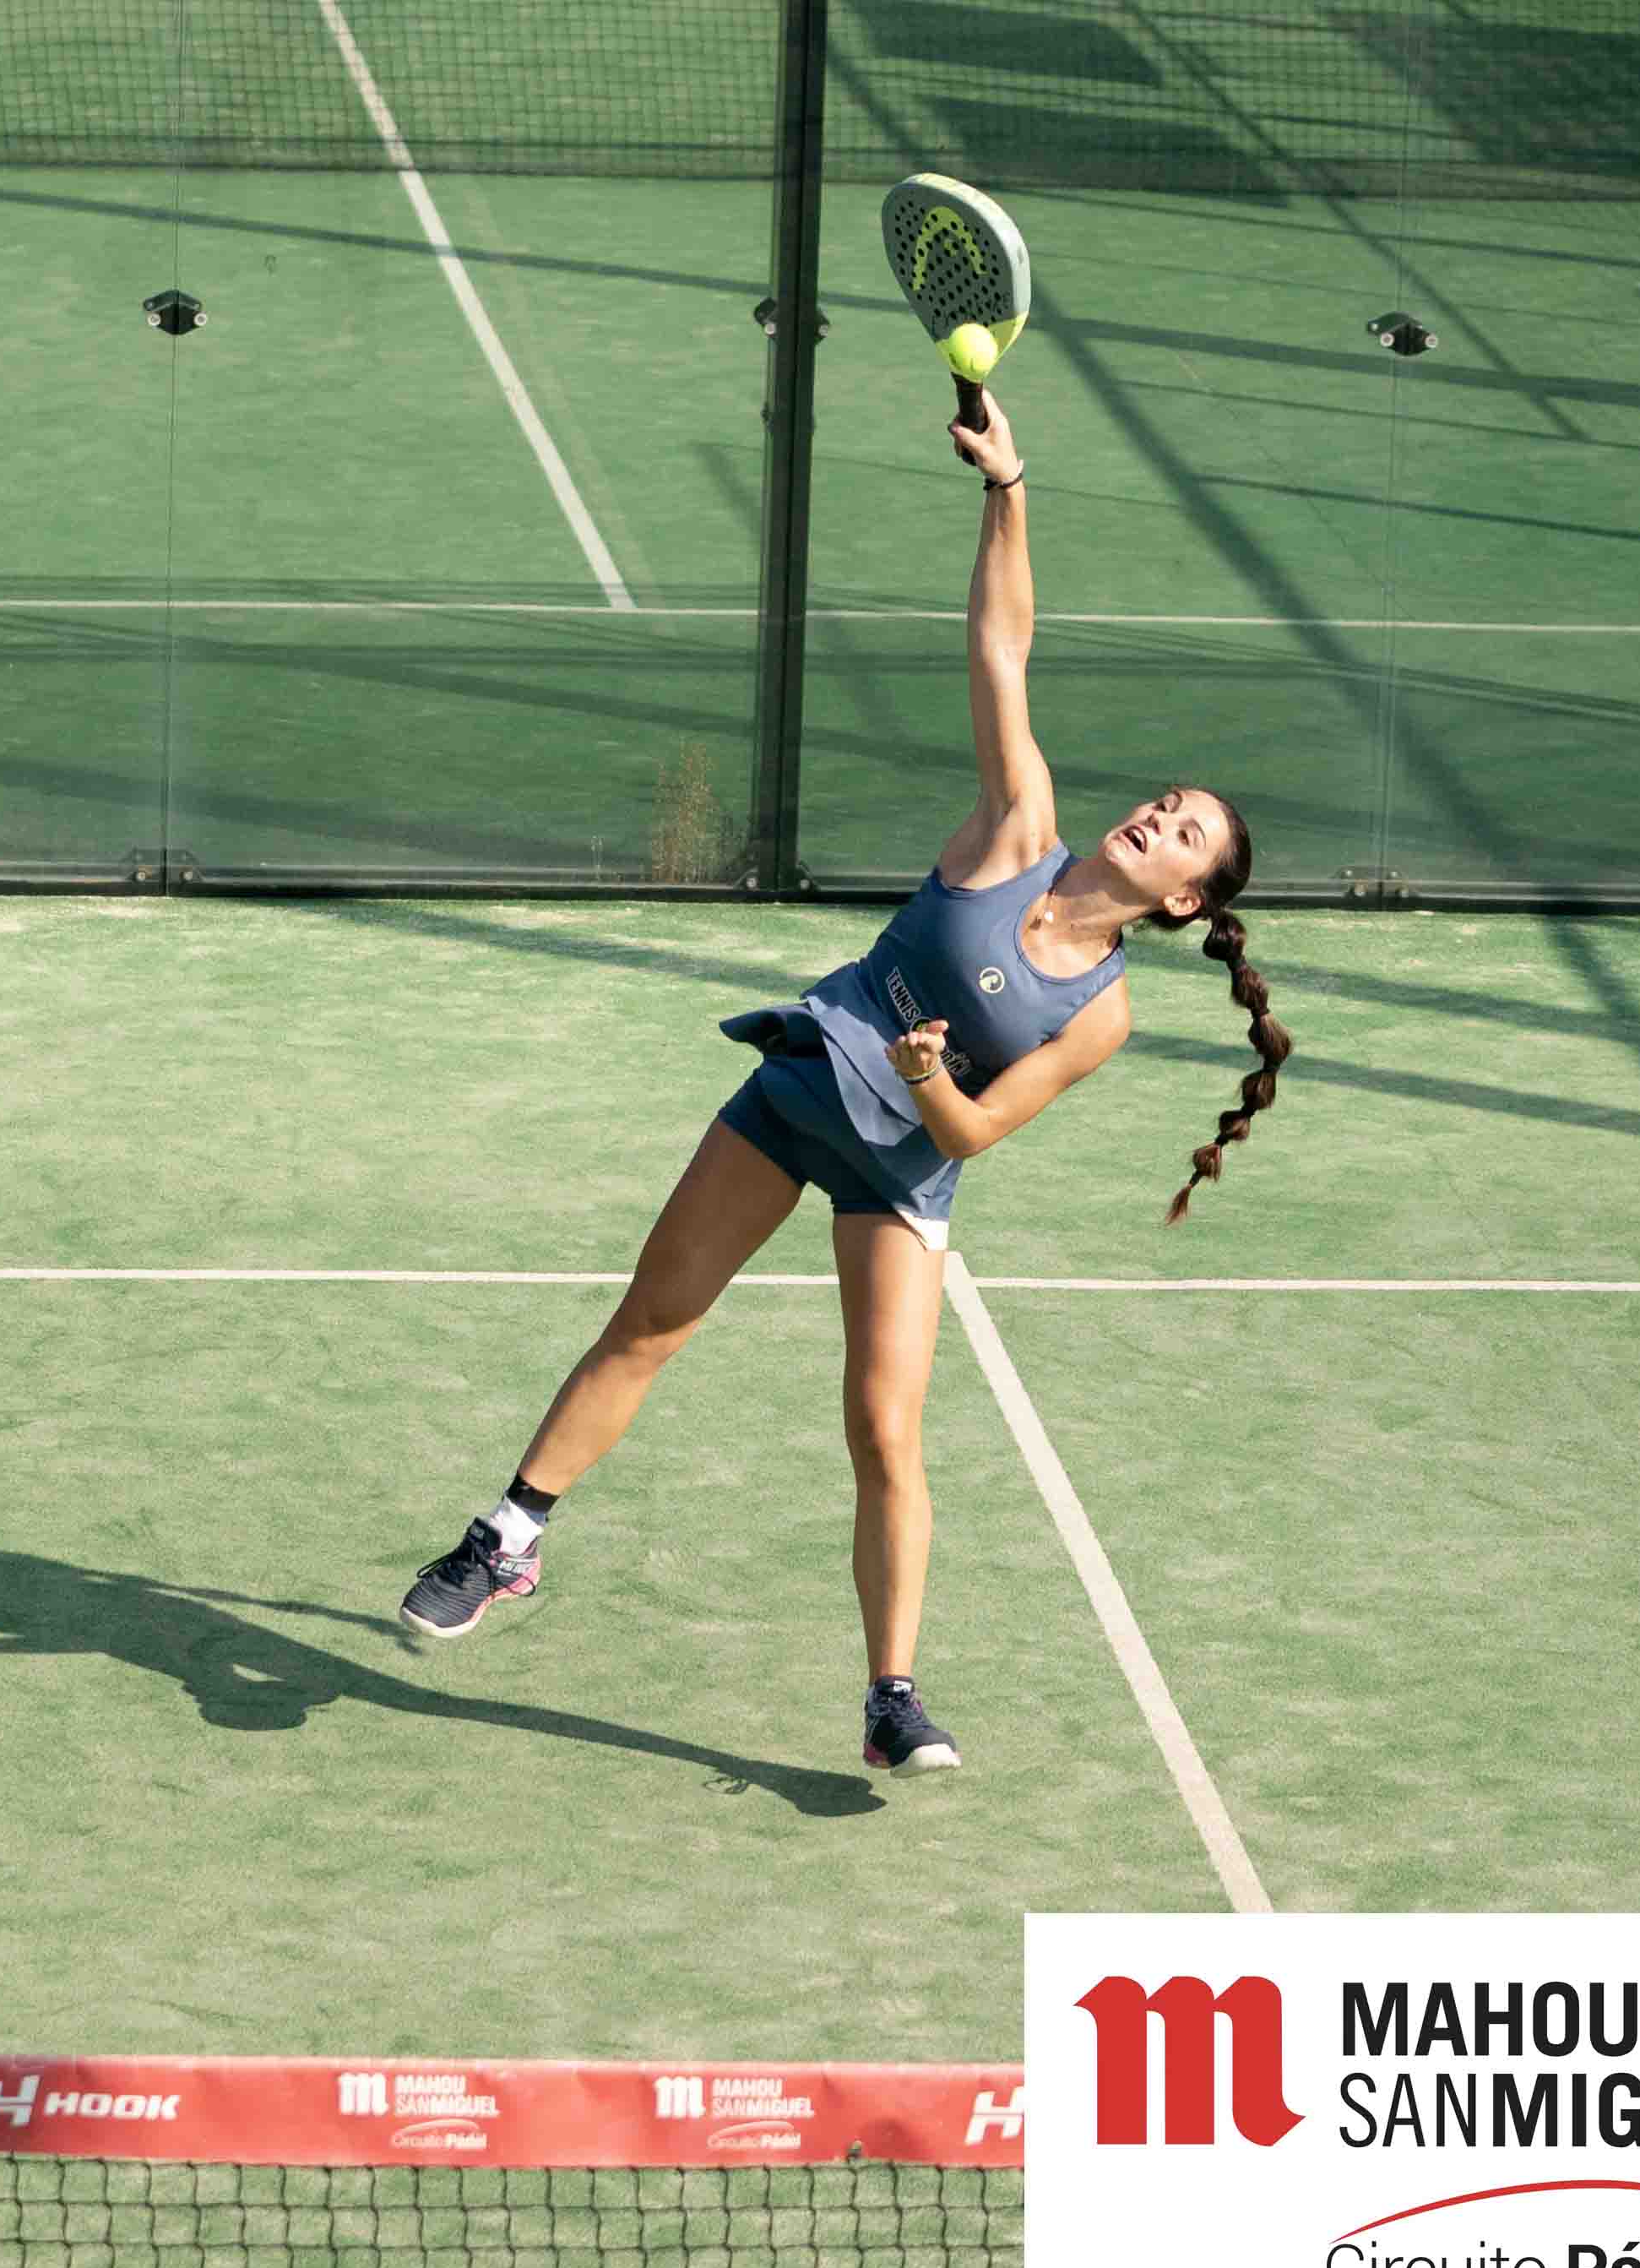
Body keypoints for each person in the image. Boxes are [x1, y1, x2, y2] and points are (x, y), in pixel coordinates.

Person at [399, 390, 1290, 1775]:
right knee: (653, 1321)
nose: (1155, 818)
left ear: (1183, 900)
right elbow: (1000, 645)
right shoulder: (1016, 832)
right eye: (1164, 803)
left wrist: (927, 1078)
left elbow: (975, 1132)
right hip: (797, 1093)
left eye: (1182, 834)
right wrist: (1007, 489)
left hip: (901, 1170)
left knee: (883, 1428)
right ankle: (505, 1538)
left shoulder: (1099, 1015)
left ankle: (891, 1698)